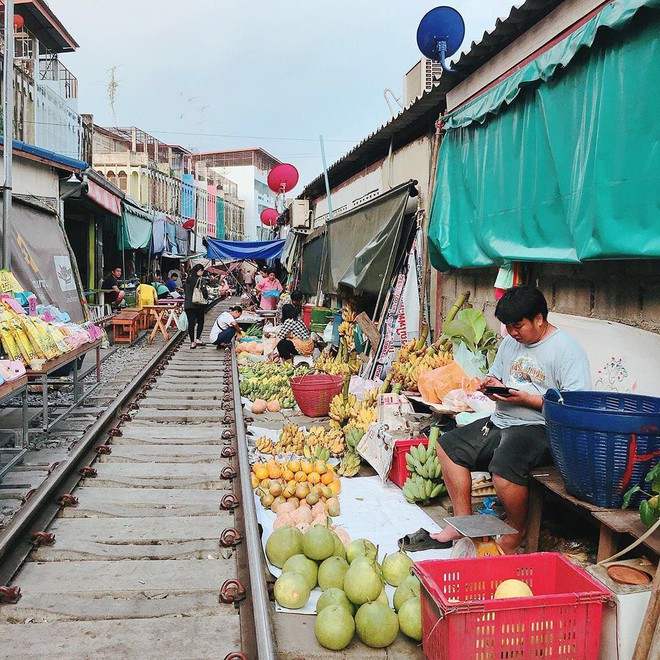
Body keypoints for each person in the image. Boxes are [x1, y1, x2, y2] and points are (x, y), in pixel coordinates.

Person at [431, 285, 590, 554]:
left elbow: (576, 405)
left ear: (539, 319)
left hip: (539, 427)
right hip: (501, 420)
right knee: (447, 446)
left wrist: (528, 399)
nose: (513, 333)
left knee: (503, 467)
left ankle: (517, 529)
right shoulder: (510, 343)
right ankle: (462, 522)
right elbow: (497, 376)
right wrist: (491, 386)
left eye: (518, 325)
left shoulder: (566, 349)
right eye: (509, 326)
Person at [183, 264, 208, 349]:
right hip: (198, 305)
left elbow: (185, 290)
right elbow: (204, 292)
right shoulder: (201, 280)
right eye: (202, 271)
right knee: (200, 322)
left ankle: (192, 342)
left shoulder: (188, 279)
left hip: (188, 305)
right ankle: (198, 339)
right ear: (199, 271)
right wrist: (206, 298)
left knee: (191, 323)